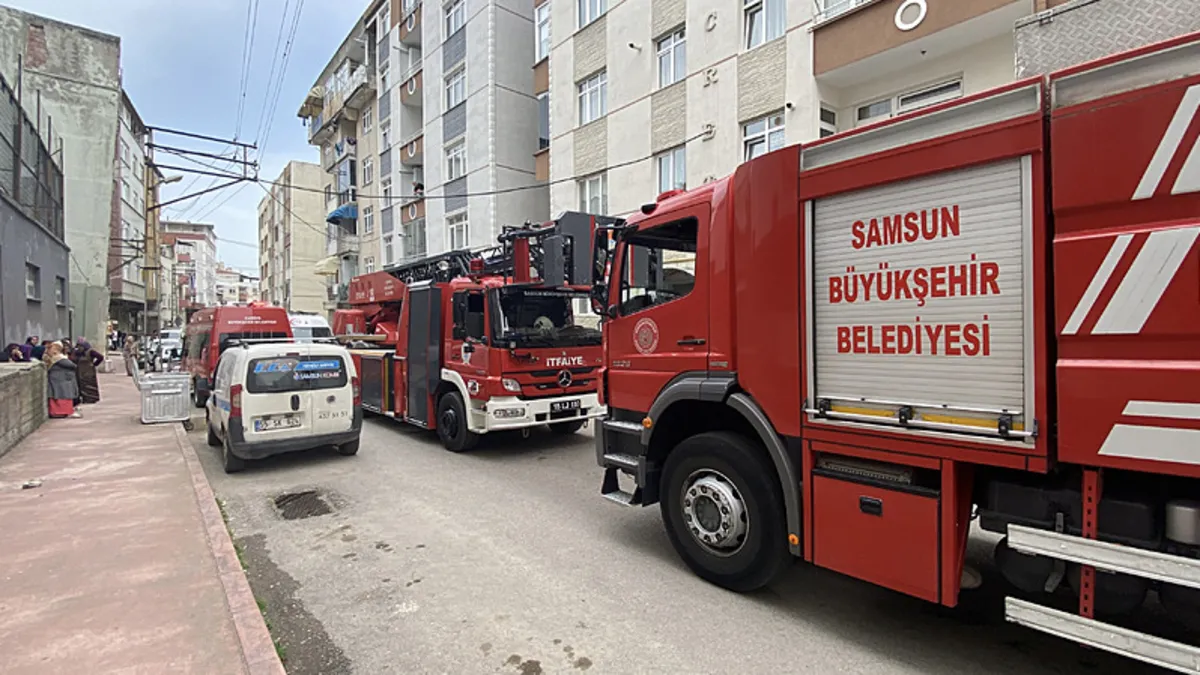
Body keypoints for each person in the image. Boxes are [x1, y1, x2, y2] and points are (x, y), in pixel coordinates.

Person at [44, 342, 81, 419]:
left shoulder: (50, 357)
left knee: (57, 396)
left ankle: (58, 412)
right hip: (62, 380)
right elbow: (72, 365)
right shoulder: (59, 358)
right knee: (62, 396)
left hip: (58, 379)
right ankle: (62, 412)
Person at [73, 338, 104, 404]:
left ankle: (91, 399)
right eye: (78, 346)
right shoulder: (76, 352)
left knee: (89, 385)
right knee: (81, 385)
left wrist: (94, 364)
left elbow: (100, 357)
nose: (79, 348)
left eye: (81, 346)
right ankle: (82, 398)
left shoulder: (90, 351)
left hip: (88, 371)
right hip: (79, 372)